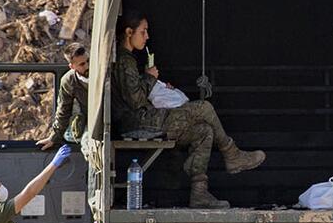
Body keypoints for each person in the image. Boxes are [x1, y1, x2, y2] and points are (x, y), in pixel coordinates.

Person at [112, 12, 264, 209]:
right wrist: (149, 77)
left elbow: (134, 92)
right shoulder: (125, 61)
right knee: (203, 107)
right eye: (143, 31)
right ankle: (231, 154)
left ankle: (199, 193)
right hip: (139, 121)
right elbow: (135, 100)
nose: (147, 36)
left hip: (143, 118)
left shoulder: (127, 60)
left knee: (204, 131)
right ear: (129, 32)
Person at [40, 43, 91, 151]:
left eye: (88, 61)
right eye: (82, 64)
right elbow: (63, 110)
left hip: (112, 118)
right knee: (87, 142)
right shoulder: (69, 81)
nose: (87, 66)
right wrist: (54, 137)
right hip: (92, 122)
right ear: (72, 67)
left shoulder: (103, 72)